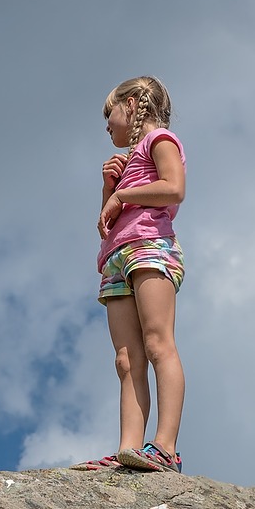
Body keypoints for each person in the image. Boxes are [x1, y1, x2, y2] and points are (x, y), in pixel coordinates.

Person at [71, 77, 186, 473]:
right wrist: (110, 188)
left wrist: (121, 194)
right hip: (116, 256)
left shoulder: (161, 141)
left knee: (157, 344)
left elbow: (173, 188)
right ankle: (128, 451)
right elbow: (107, 223)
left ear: (133, 104)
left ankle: (165, 448)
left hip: (149, 247)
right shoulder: (126, 164)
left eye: (111, 112)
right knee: (125, 359)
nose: (107, 124)